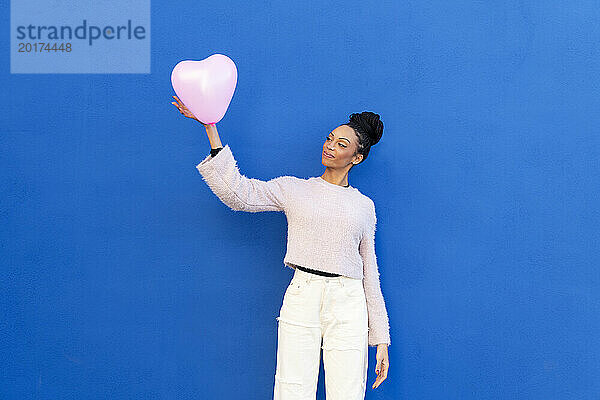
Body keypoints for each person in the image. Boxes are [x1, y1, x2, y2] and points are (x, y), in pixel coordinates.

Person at [172, 95, 391, 399]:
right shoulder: (295, 189)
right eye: (330, 138)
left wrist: (380, 337)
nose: (330, 146)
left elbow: (370, 272)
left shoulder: (364, 206)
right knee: (292, 388)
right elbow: (239, 194)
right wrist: (211, 128)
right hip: (303, 293)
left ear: (357, 157)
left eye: (342, 144)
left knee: (348, 391)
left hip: (349, 300)